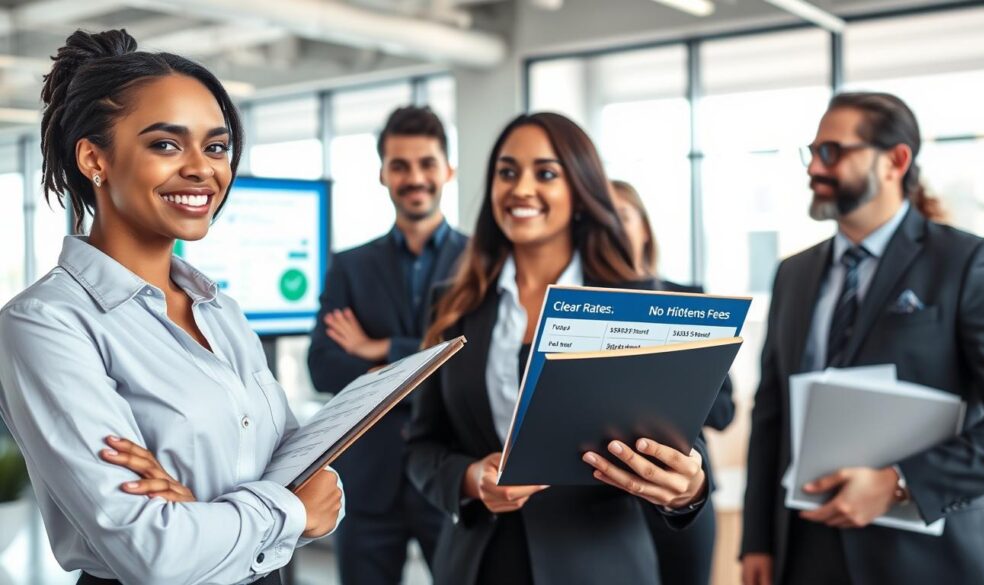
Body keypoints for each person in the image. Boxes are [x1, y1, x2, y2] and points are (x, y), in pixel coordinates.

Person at [0, 29, 343, 585]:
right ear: (94, 158)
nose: (202, 168)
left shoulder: (220, 309)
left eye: (216, 146)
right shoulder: (46, 324)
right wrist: (287, 511)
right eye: (165, 144)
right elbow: (155, 553)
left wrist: (205, 513)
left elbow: (315, 478)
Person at [407, 112, 711, 585]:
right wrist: (471, 478)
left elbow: (683, 441)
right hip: (478, 565)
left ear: (581, 192)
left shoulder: (638, 301)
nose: (521, 188)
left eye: (545, 173)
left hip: (601, 564)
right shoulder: (452, 304)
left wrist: (689, 488)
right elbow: (421, 446)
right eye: (508, 172)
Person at [740, 92, 984, 585]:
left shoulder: (964, 263)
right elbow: (770, 416)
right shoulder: (793, 274)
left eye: (833, 152)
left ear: (896, 160)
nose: (814, 168)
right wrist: (757, 542)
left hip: (922, 558)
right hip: (804, 553)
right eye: (811, 152)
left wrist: (901, 483)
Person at [307, 106, 467, 584]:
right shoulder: (350, 267)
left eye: (426, 164)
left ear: (447, 170)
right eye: (400, 165)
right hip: (370, 481)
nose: (414, 177)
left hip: (451, 475)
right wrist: (426, 358)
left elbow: (474, 364)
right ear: (383, 174)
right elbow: (323, 366)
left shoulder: (479, 263)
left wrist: (378, 349)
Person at [611, 178, 734, 585]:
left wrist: (680, 377)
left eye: (623, 215)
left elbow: (724, 412)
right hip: (608, 500)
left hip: (683, 489)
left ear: (644, 228)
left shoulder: (689, 301)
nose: (612, 226)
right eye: (601, 217)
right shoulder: (587, 313)